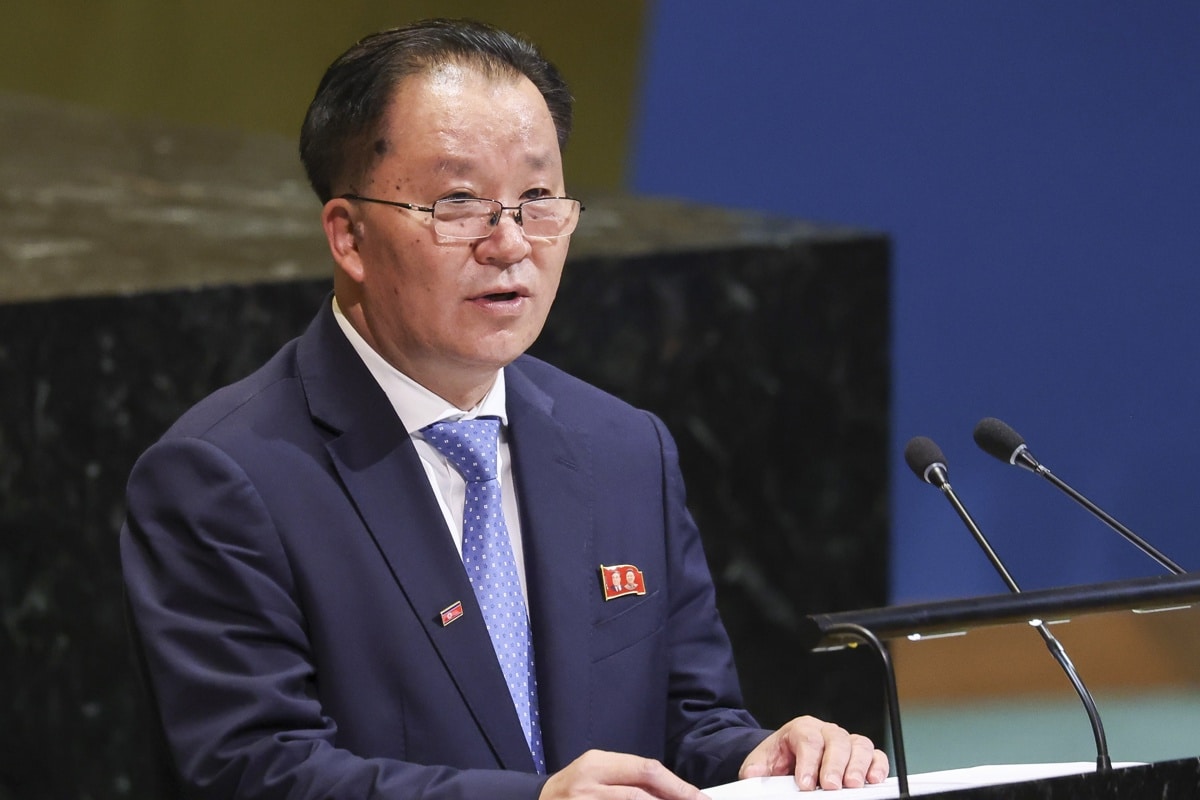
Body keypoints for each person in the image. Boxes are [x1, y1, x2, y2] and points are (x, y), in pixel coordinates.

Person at [120, 18, 889, 800]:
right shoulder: (223, 477)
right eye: (458, 203)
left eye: (537, 198)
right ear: (349, 236)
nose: (511, 242)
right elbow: (255, 772)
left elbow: (686, 722)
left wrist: (765, 757)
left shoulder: (622, 449)